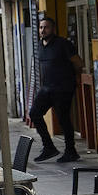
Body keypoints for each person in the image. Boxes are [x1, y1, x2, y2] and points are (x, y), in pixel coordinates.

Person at [30, 16, 84, 163]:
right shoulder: (40, 45)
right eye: (41, 27)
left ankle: (71, 151)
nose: (43, 30)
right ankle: (49, 147)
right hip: (46, 88)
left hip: (63, 88)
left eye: (46, 27)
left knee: (63, 119)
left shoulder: (63, 44)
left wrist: (72, 79)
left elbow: (78, 63)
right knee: (34, 113)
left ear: (53, 29)